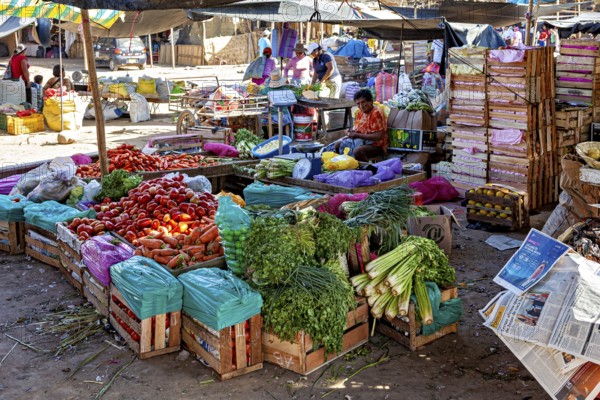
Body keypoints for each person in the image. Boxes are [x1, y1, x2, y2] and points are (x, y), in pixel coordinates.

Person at [333, 88, 387, 162]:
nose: (361, 106)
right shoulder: (360, 112)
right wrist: (352, 132)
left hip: (376, 145)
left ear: (371, 101)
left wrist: (357, 135)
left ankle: (367, 169)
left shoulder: (376, 113)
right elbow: (358, 129)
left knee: (358, 151)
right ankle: (343, 166)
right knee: (337, 144)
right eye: (358, 104)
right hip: (361, 140)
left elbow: (378, 136)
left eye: (363, 102)